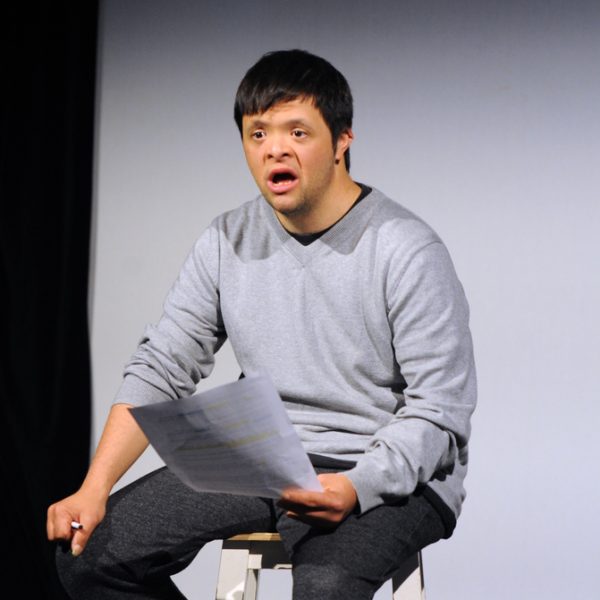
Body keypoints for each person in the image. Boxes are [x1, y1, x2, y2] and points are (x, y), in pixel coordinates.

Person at [47, 49, 477, 600]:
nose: (275, 147)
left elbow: (440, 414)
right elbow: (161, 364)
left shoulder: (406, 249)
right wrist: (94, 487)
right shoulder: (227, 240)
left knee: (326, 586)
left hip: (386, 470)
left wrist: (355, 486)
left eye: (298, 131)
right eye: (258, 134)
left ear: (343, 138)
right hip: (264, 459)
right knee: (89, 556)